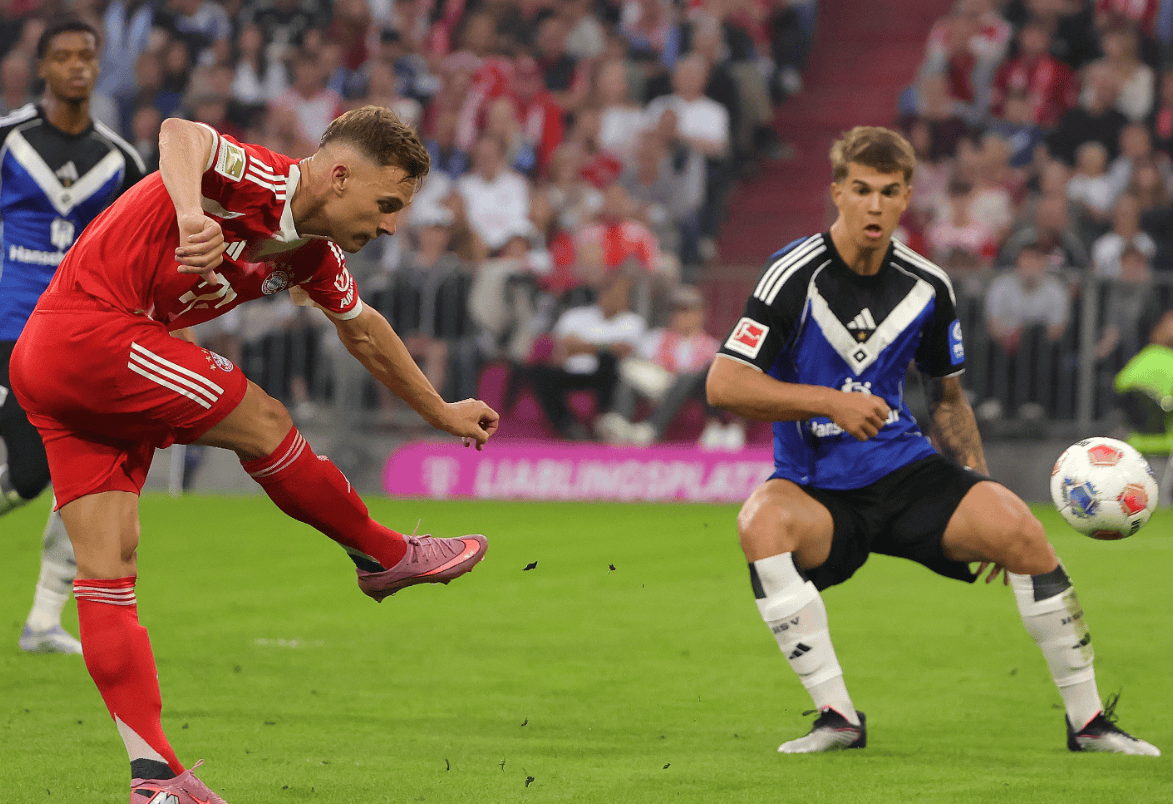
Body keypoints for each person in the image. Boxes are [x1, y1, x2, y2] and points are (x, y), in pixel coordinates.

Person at [9, 105, 499, 802]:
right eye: (387, 204)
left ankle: (154, 777)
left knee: (110, 567)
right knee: (263, 419)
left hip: (62, 367)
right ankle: (382, 554)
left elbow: (362, 330)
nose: (391, 226)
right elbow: (180, 133)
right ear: (338, 177)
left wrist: (440, 410)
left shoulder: (313, 254)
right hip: (92, 336)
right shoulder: (263, 181)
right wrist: (190, 214)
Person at [705, 126, 1160, 756]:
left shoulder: (928, 285)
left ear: (907, 197)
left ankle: (1088, 724)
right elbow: (724, 383)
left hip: (905, 471)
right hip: (816, 487)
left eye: (889, 192)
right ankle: (837, 716)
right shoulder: (793, 274)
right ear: (837, 192)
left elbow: (947, 399)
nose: (874, 205)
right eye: (861, 189)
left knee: (1020, 529)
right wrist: (829, 401)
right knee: (759, 524)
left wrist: (978, 482)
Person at [0, 18, 146, 656]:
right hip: (6, 329)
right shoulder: (8, 140)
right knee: (29, 474)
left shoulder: (122, 161)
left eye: (86, 55)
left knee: (89, 473)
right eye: (62, 56)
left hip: (76, 338)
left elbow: (139, 251)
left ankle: (43, 620)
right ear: (41, 68)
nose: (76, 66)